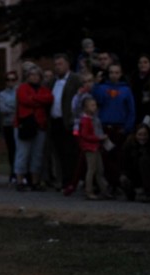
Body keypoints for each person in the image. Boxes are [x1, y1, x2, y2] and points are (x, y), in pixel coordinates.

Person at [92, 63, 136, 193]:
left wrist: (128, 127)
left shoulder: (126, 90)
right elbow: (96, 101)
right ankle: (110, 183)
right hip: (106, 127)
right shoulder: (102, 87)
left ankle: (118, 183)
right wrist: (96, 85)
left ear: (121, 74)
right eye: (111, 72)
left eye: (117, 72)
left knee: (119, 156)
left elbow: (131, 110)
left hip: (120, 127)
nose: (114, 75)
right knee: (106, 156)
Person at [14, 66, 53, 192]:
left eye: (37, 75)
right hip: (25, 124)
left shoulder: (43, 89)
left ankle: (35, 181)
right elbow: (24, 100)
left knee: (37, 154)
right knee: (23, 153)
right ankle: (20, 180)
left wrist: (34, 100)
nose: (34, 77)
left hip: (40, 124)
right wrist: (39, 101)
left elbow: (49, 98)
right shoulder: (22, 88)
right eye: (32, 75)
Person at [45, 54, 82, 191]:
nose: (57, 67)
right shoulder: (52, 81)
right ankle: (60, 180)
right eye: (55, 64)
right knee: (57, 153)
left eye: (60, 64)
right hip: (55, 121)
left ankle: (69, 181)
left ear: (67, 64)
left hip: (68, 121)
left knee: (69, 153)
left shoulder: (75, 79)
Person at [78, 97, 112, 200]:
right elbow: (85, 135)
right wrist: (98, 138)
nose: (95, 107)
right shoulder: (86, 120)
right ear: (85, 107)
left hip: (95, 146)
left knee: (99, 169)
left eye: (95, 105)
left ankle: (104, 190)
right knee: (91, 169)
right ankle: (89, 191)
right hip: (90, 147)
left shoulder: (94, 119)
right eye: (92, 105)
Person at [0, 70, 19, 184]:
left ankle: (20, 173)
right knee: (11, 149)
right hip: (8, 125)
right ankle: (13, 172)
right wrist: (14, 108)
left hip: (18, 124)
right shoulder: (2, 94)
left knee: (19, 150)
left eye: (13, 79)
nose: (10, 82)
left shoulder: (19, 91)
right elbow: (3, 109)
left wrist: (11, 107)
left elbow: (20, 107)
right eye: (8, 80)